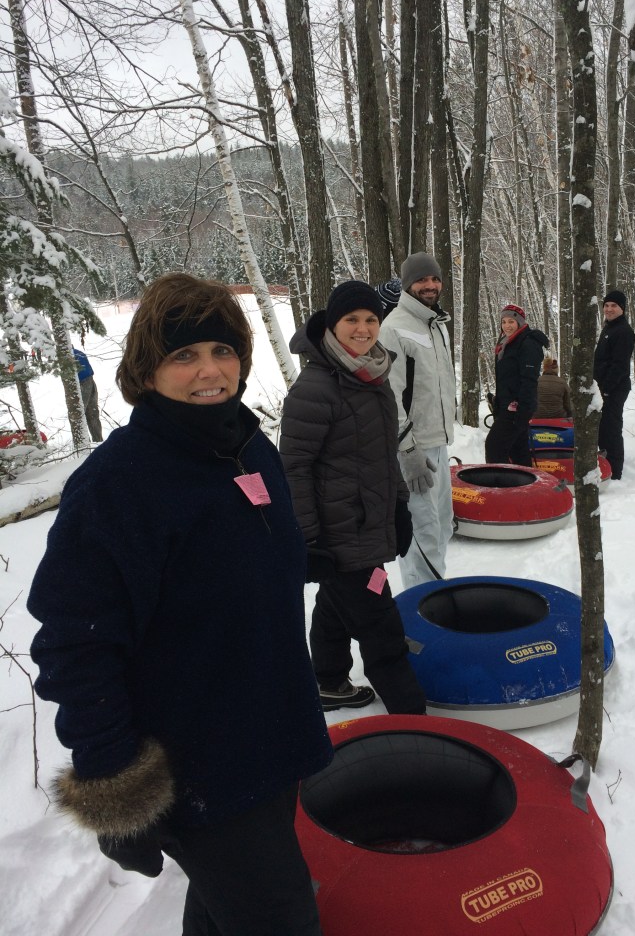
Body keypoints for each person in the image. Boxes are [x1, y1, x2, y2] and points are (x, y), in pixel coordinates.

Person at [28, 274, 332, 936]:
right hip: (201, 766)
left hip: (273, 734)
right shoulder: (119, 484)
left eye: (223, 351)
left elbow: (237, 566)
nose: (210, 371)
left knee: (226, 914)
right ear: (148, 371)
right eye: (184, 355)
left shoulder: (246, 446)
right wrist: (115, 780)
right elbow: (75, 643)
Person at [279, 279, 426, 716]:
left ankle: (328, 680)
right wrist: (309, 539)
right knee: (382, 631)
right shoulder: (315, 387)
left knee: (334, 603)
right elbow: (293, 468)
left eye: (371, 319)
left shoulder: (373, 375)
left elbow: (383, 454)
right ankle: (413, 721)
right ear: (332, 324)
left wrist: (399, 505)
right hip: (338, 534)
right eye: (351, 320)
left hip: (366, 525)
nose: (363, 329)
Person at [379, 252, 456, 588]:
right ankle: (422, 606)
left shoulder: (436, 325)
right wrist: (407, 450)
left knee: (442, 527)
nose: (430, 285)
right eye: (421, 279)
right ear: (408, 284)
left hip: (438, 443)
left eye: (434, 278)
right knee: (421, 535)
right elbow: (389, 396)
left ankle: (434, 595)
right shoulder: (393, 328)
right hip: (413, 450)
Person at [485, 304, 549, 467]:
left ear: (519, 322)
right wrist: (498, 401)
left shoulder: (528, 344)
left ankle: (499, 480)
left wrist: (523, 410)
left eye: (511, 322)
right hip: (506, 405)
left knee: (494, 447)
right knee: (518, 450)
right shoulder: (507, 343)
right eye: (504, 322)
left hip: (516, 408)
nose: (507, 326)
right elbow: (508, 378)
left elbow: (529, 380)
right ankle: (524, 480)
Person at [593, 289, 635, 480]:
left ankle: (615, 472)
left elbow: (619, 365)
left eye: (614, 306)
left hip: (614, 388)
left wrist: (606, 390)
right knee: (603, 429)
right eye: (607, 305)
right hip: (603, 387)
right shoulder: (609, 328)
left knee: (611, 429)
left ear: (622, 308)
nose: (609, 309)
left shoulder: (623, 331)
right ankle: (604, 466)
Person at [73, 347, 104, 442]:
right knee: (92, 413)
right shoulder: (79, 352)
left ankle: (83, 443)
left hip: (82, 383)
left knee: (78, 414)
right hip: (90, 381)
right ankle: (98, 441)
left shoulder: (69, 355)